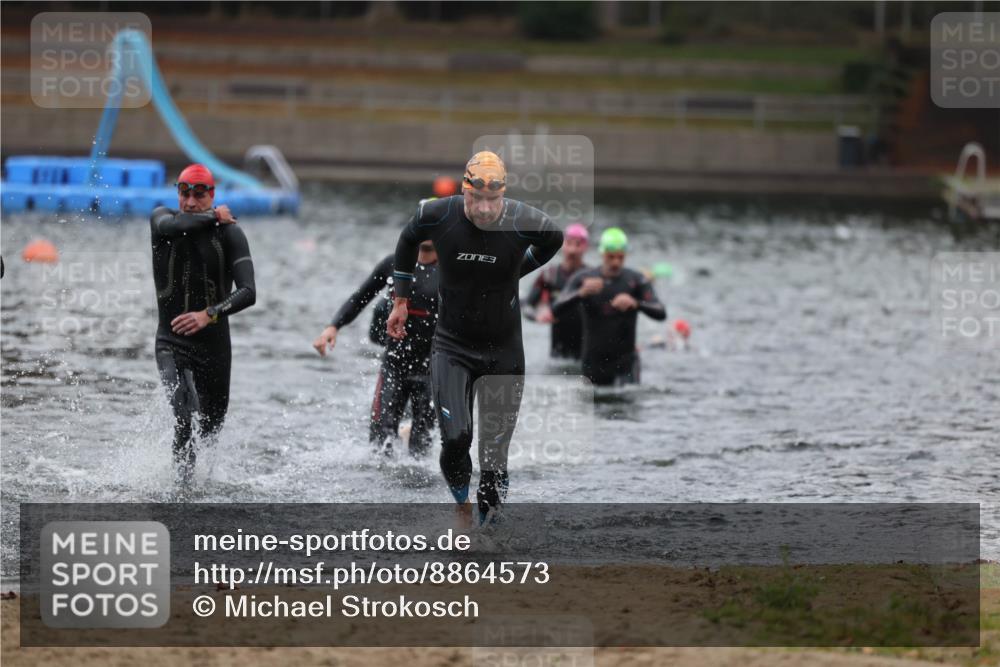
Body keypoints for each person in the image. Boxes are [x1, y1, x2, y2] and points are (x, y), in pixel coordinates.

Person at [387, 151, 563, 522]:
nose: (484, 209)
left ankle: (491, 528)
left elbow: (555, 240)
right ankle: (462, 508)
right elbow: (406, 240)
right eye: (476, 198)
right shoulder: (439, 214)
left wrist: (519, 267)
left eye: (492, 200)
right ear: (464, 190)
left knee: (494, 457)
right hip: (452, 346)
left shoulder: (522, 220)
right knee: (455, 439)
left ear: (503, 195)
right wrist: (400, 301)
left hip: (504, 352)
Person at [150, 164, 256, 484]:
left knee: (210, 431)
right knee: (184, 416)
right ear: (177, 193)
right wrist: (213, 215)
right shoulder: (160, 220)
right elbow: (177, 224)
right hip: (171, 342)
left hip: (214, 345)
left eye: (199, 194)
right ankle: (182, 493)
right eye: (185, 193)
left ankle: (202, 490)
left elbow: (249, 293)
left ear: (212, 194)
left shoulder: (230, 233)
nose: (191, 201)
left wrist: (207, 314)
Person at [313, 241, 440, 457]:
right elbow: (360, 297)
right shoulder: (394, 263)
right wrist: (333, 326)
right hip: (394, 366)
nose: (427, 233)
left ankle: (409, 437)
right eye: (423, 226)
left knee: (421, 452)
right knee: (378, 446)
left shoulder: (453, 268)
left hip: (434, 371)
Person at [552, 227, 665, 386]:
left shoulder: (635, 280)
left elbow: (661, 312)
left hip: (626, 365)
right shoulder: (584, 278)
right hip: (593, 364)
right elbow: (555, 308)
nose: (615, 262)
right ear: (601, 253)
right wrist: (581, 293)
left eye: (620, 257)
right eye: (610, 257)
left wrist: (636, 303)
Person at [523, 222, 590, 359]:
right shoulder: (549, 275)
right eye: (569, 243)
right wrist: (538, 316)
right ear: (563, 244)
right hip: (557, 354)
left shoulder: (592, 277)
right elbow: (527, 306)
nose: (572, 250)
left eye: (578, 245)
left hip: (586, 352)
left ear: (585, 247)